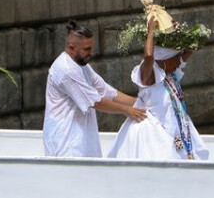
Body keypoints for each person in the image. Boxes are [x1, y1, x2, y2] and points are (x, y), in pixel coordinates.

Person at [108, 15, 207, 160]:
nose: (180, 62)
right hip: (152, 136)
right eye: (176, 59)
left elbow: (190, 48)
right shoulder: (149, 77)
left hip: (174, 132)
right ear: (165, 60)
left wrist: (178, 32)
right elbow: (149, 56)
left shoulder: (172, 74)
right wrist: (151, 32)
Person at [43, 21, 146, 158]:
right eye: (86, 49)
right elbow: (94, 101)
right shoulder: (66, 70)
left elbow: (107, 91)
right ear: (71, 48)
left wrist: (140, 102)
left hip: (82, 139)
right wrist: (127, 110)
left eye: (91, 48)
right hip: (66, 143)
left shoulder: (82, 65)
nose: (91, 53)